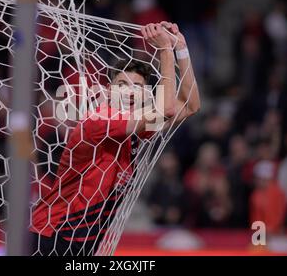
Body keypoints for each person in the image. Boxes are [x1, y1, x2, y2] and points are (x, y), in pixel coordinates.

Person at [30, 22, 200, 255]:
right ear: (108, 91)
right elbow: (168, 109)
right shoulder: (99, 120)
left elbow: (190, 105)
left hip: (84, 242)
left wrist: (181, 48)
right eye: (122, 85)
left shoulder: (138, 129)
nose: (129, 91)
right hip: (53, 237)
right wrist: (164, 50)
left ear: (145, 95)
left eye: (137, 87)